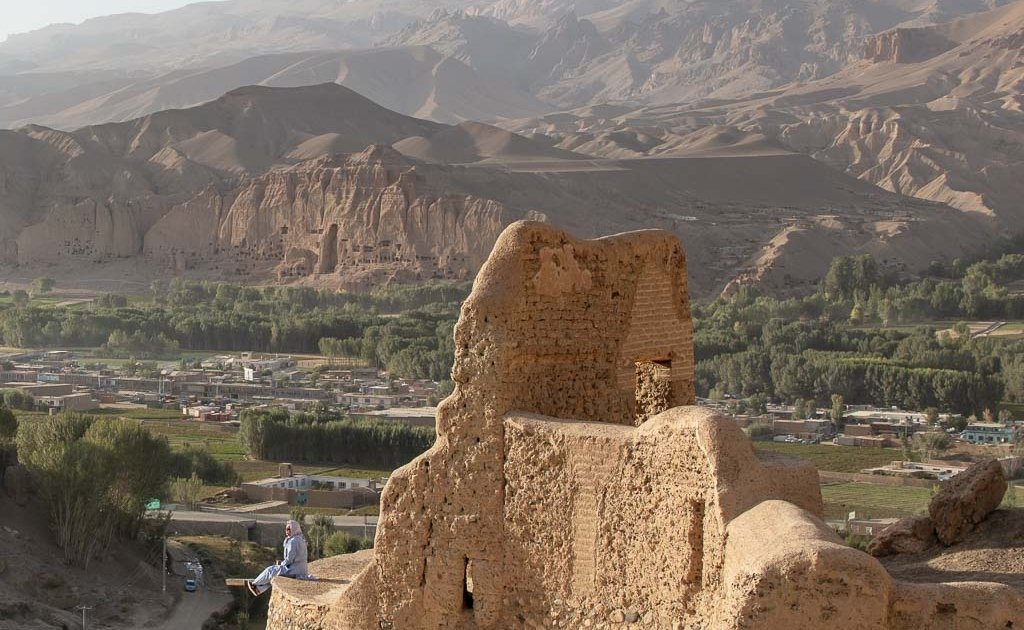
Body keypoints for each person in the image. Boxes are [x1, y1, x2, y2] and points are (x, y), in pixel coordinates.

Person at [247, 519, 309, 596]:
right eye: (286, 529)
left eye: (289, 529)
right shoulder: (301, 539)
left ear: (293, 529)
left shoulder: (293, 541)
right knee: (274, 575)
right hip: (302, 571)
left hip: (294, 571)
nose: (286, 531)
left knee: (270, 570)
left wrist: (281, 564)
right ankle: (258, 589)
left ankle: (255, 584)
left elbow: (289, 559)